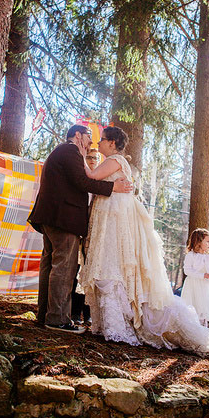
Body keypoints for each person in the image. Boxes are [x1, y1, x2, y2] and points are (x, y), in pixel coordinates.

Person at [79, 126, 209, 355]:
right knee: (109, 264)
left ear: (111, 143)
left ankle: (117, 326)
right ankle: (109, 324)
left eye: (102, 141)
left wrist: (79, 152)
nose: (98, 145)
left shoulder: (115, 160)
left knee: (110, 265)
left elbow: (90, 176)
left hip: (113, 219)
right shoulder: (115, 161)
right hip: (110, 216)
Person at [28, 124, 133, 334]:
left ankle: (45, 315)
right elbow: (81, 181)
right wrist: (113, 187)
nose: (91, 143)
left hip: (53, 217)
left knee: (49, 266)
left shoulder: (63, 151)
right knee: (64, 268)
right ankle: (57, 319)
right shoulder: (70, 150)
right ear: (78, 135)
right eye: (88, 137)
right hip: (62, 219)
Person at [71, 148, 101, 325]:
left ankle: (88, 314)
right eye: (88, 157)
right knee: (76, 273)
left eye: (95, 158)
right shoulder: (81, 180)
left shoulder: (99, 182)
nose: (92, 160)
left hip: (95, 235)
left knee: (92, 273)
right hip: (79, 232)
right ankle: (74, 312)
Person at [181, 228, 209, 327]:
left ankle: (203, 328)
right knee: (194, 306)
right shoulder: (191, 256)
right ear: (199, 242)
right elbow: (187, 270)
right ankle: (193, 328)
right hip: (193, 285)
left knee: (204, 307)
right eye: (207, 241)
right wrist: (202, 275)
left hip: (206, 286)